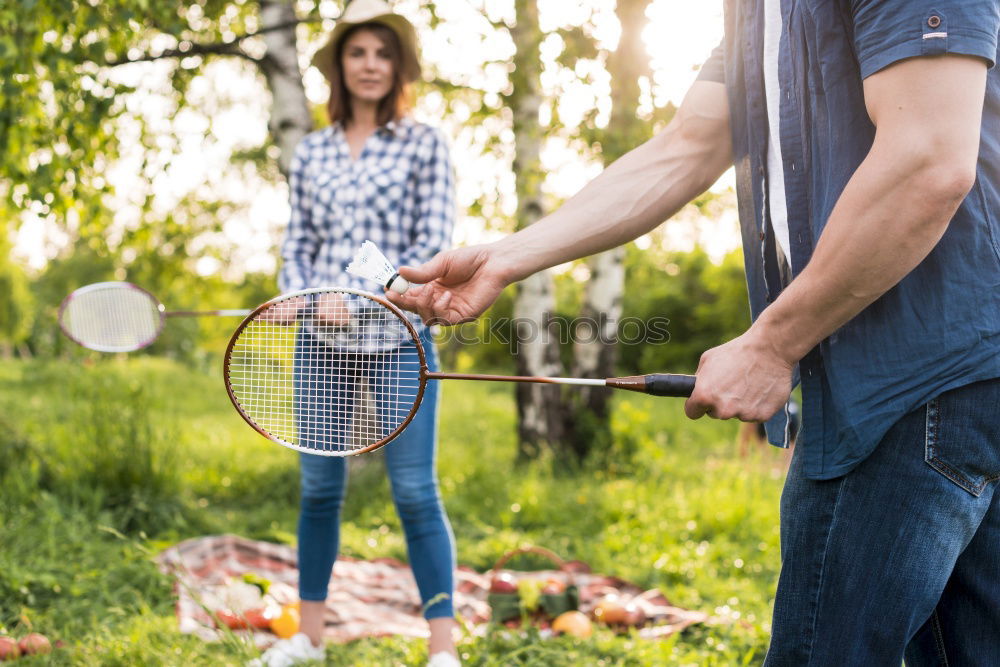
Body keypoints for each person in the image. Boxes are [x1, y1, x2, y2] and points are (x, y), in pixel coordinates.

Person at [389, 1, 1000, 664]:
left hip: (912, 379)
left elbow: (930, 160)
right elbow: (685, 147)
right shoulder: (757, 13)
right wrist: (508, 255)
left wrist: (772, 342)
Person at [254, 2, 459, 665]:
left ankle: (442, 648)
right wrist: (296, 296)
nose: (370, 65)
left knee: (415, 492)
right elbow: (298, 243)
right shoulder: (310, 151)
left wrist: (358, 294)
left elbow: (429, 246)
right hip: (320, 342)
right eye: (357, 53)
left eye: (382, 54)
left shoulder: (426, 143)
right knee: (318, 490)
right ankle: (308, 640)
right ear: (340, 66)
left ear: (398, 66)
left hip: (401, 338)